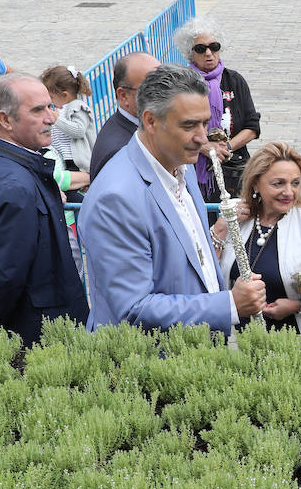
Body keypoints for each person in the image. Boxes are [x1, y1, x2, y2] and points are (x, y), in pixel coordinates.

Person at [79, 64, 266, 336]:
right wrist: (229, 304)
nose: (203, 138)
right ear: (151, 121)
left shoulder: (180, 164)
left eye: (204, 123)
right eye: (189, 125)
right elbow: (132, 308)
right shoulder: (116, 197)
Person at [0, 74, 88, 347]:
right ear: (5, 120)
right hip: (41, 329)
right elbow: (9, 267)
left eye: (49, 107)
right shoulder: (16, 184)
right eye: (37, 110)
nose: (51, 118)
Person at [216, 142, 301, 347]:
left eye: (295, 183)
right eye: (278, 183)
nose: (289, 192)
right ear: (255, 184)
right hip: (242, 346)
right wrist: (219, 230)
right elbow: (208, 277)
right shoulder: (236, 214)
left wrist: (297, 306)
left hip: (300, 346)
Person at [175, 18, 260, 201]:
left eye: (214, 46)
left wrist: (226, 148)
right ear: (191, 53)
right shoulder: (182, 85)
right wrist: (204, 147)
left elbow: (252, 127)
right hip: (195, 174)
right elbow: (174, 130)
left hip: (234, 171)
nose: (209, 53)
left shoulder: (235, 80)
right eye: (200, 49)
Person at [91, 52, 160, 178]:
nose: (164, 94)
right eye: (151, 88)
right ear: (123, 96)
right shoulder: (119, 151)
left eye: (165, 85)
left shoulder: (141, 127)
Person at [42, 64, 96, 174]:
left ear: (64, 95)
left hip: (76, 163)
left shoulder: (78, 107)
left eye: (51, 97)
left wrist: (57, 120)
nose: (50, 101)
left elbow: (79, 131)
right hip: (63, 160)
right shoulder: (60, 109)